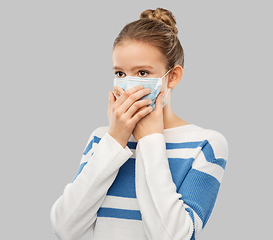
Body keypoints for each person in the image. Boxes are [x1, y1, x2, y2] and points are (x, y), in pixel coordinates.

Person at [50, 8, 228, 240]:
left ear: (172, 76)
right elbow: (64, 229)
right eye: (120, 73)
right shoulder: (101, 139)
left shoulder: (206, 145)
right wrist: (114, 140)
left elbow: (174, 236)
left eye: (143, 72)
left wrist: (151, 141)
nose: (129, 84)